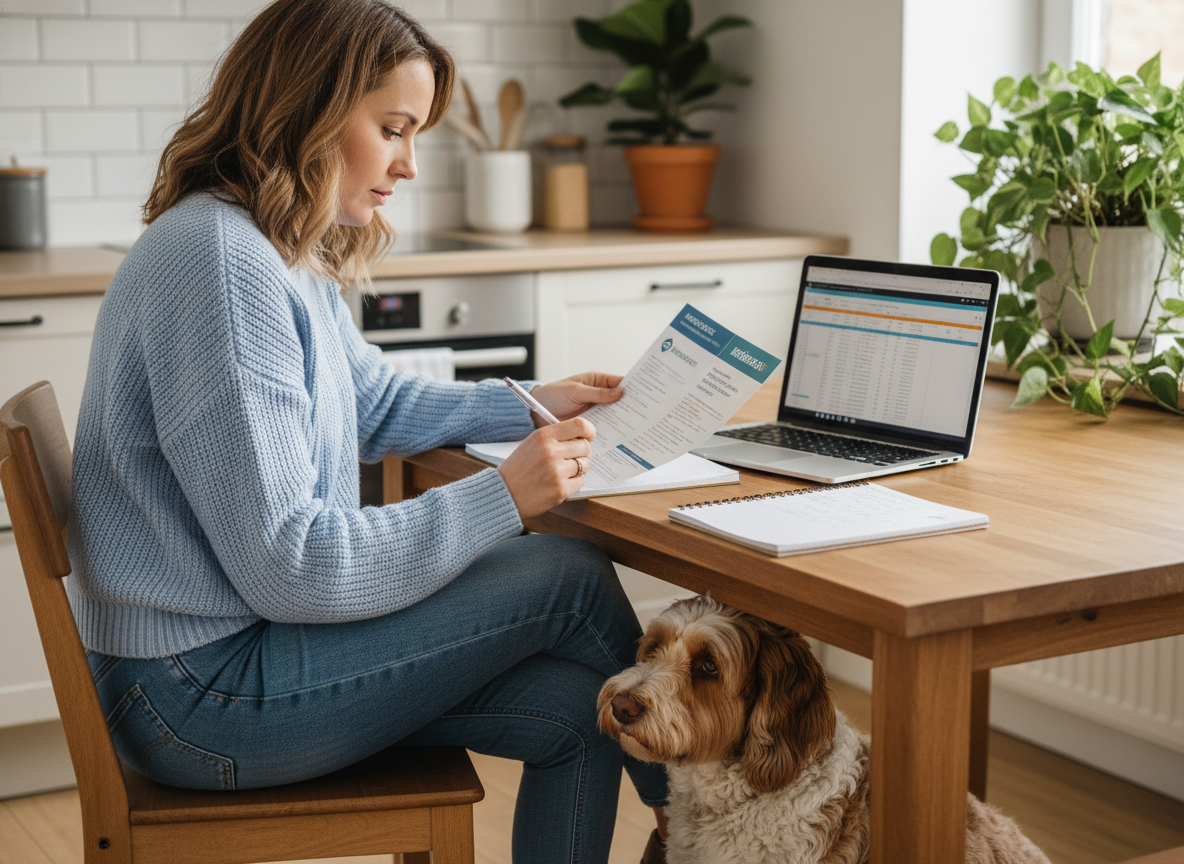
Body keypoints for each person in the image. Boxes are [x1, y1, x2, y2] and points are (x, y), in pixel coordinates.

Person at [64, 1, 669, 861]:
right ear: (311, 106)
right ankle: (705, 826)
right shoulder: (221, 263)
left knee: (581, 712)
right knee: (566, 572)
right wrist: (503, 497)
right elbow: (291, 564)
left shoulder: (272, 246)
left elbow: (371, 404)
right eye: (392, 128)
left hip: (218, 663)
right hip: (197, 696)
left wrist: (533, 404)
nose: (410, 164)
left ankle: (692, 822)